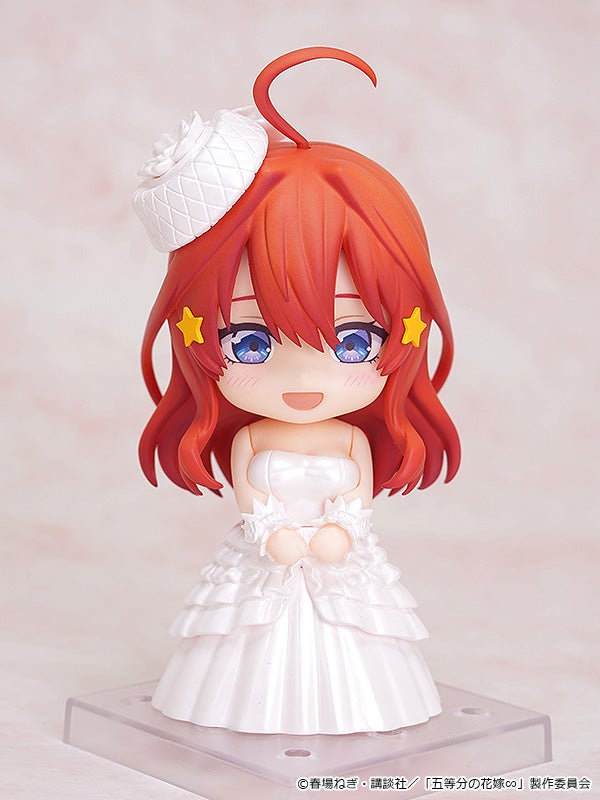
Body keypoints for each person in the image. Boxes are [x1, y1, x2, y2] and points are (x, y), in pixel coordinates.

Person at [134, 47, 460, 734]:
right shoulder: (252, 436)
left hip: (339, 560)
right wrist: (273, 533)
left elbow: (357, 497)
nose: (305, 378)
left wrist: (342, 530)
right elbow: (251, 498)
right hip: (270, 557)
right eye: (250, 342)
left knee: (357, 648)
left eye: (353, 342)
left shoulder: (348, 438)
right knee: (242, 649)